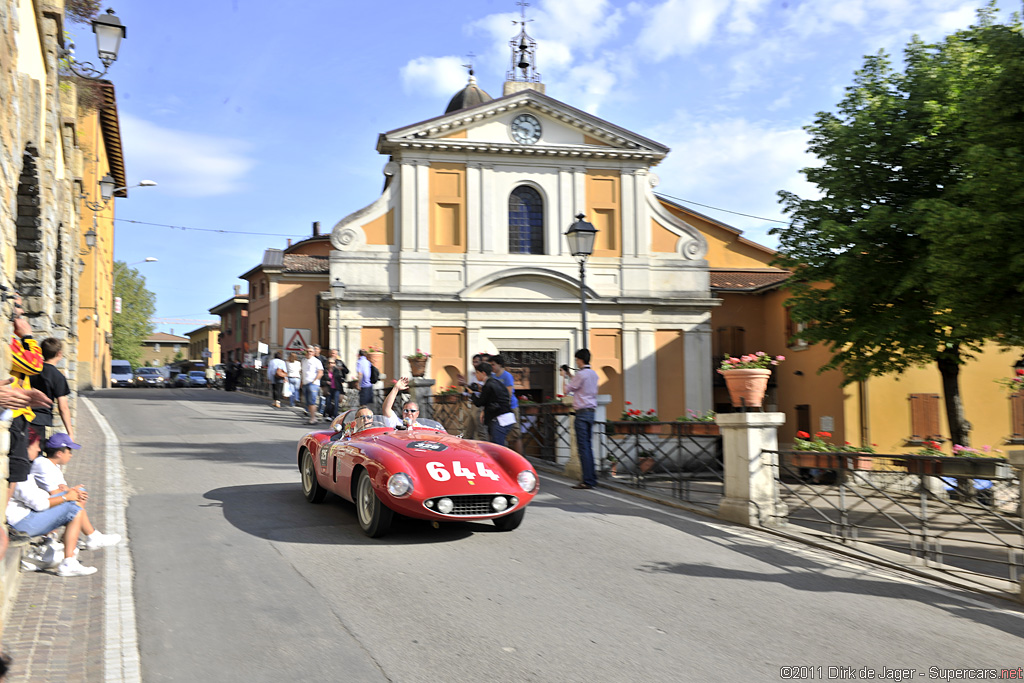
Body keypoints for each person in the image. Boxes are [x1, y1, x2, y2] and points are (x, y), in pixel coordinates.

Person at [6, 428, 98, 576]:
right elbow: (39, 504)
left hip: (26, 517)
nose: (38, 449)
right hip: (21, 523)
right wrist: (65, 497)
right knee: (73, 507)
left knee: (73, 501)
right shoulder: (18, 472)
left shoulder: (24, 468)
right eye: (35, 445)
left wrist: (66, 493)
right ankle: (73, 556)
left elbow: (39, 498)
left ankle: (75, 550)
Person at [33, 432, 120, 550]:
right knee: (75, 499)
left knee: (80, 493)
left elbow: (63, 487)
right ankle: (92, 535)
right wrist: (71, 491)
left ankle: (68, 537)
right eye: (69, 452)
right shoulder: (42, 464)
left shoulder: (55, 466)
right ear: (59, 453)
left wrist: (73, 490)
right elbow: (55, 492)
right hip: (40, 506)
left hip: (51, 501)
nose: (71, 455)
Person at [562, 348, 599, 489]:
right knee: (588, 447)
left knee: (583, 448)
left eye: (577, 360)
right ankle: (592, 478)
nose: (576, 362)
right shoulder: (593, 374)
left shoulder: (581, 374)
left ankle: (587, 480)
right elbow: (579, 385)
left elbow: (567, 390)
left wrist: (563, 376)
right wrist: (570, 375)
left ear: (580, 359)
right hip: (591, 412)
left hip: (582, 413)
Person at [28, 337, 74, 441]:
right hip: (41, 419)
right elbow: (63, 407)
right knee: (36, 452)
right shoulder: (58, 377)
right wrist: (70, 432)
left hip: (24, 416)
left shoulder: (30, 370)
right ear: (59, 354)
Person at [470, 362, 514, 446]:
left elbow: (479, 402)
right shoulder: (496, 382)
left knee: (498, 447)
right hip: (508, 417)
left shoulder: (488, 385)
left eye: (477, 373)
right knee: (500, 446)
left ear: (483, 373)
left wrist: (471, 394)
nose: (476, 375)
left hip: (500, 420)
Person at [490, 355, 521, 453]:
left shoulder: (507, 376)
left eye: (493, 365)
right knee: (502, 434)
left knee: (515, 434)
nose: (492, 367)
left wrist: (505, 408)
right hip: (500, 409)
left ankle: (521, 458)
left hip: (510, 408)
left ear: (499, 364)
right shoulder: (493, 377)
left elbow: (509, 393)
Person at [301, 346, 324, 424]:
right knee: (307, 402)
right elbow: (302, 372)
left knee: (312, 402)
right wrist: (302, 382)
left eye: (310, 351)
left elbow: (320, 372)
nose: (309, 353)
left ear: (314, 353)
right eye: (307, 351)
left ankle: (313, 418)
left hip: (312, 384)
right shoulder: (303, 360)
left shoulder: (316, 361)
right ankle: (312, 417)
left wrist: (314, 381)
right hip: (305, 383)